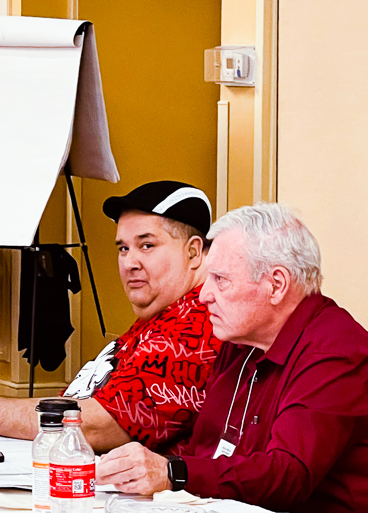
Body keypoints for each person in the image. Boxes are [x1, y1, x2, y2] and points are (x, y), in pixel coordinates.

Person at [0, 181, 222, 453]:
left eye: (147, 245)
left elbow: (99, 424)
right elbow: (85, 402)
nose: (129, 263)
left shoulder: (197, 321)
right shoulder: (167, 307)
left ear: (194, 252)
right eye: (124, 248)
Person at [97, 203, 368, 513]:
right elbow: (207, 450)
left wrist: (173, 472)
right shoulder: (241, 339)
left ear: (276, 285)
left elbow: (286, 475)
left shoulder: (335, 350)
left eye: (220, 280)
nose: (203, 295)